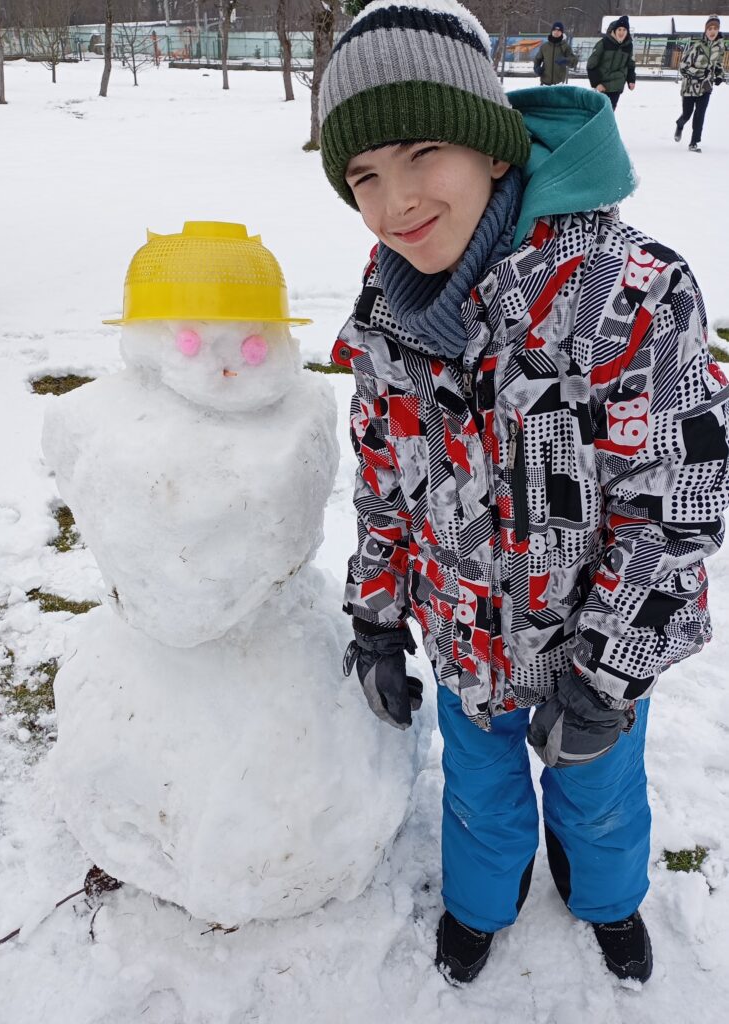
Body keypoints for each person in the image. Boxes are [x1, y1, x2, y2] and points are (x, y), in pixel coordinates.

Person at [319, 0, 729, 988]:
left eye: (422, 153)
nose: (394, 203)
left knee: (601, 801)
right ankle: (479, 903)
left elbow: (676, 503)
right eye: (363, 176)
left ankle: (606, 899)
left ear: (492, 146)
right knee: (479, 794)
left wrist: (608, 675)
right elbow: (384, 484)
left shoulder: (627, 294)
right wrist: (375, 617)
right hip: (462, 642)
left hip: (588, 651)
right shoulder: (385, 315)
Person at [675, 15, 725, 153]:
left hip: (706, 87)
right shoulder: (696, 46)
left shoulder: (720, 47)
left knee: (700, 115)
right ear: (705, 30)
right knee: (687, 114)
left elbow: (718, 64)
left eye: (715, 28)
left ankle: (694, 142)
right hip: (690, 87)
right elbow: (683, 67)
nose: (712, 31)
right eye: (710, 28)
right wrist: (700, 73)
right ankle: (680, 123)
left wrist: (719, 75)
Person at [586, 14, 636, 110]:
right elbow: (591, 65)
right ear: (614, 30)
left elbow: (630, 65)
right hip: (602, 86)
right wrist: (597, 83)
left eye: (624, 30)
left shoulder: (629, 46)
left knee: (610, 112)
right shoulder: (604, 43)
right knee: (598, 112)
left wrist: (631, 80)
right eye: (619, 29)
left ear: (627, 32)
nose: (621, 32)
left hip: (616, 87)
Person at [533, 21, 578, 85]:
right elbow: (537, 59)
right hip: (545, 83)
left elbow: (574, 61)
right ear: (552, 31)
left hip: (559, 84)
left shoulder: (565, 46)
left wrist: (566, 60)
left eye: (559, 31)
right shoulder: (544, 46)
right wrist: (536, 68)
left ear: (561, 33)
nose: (556, 32)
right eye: (554, 30)